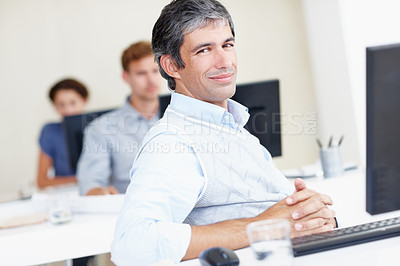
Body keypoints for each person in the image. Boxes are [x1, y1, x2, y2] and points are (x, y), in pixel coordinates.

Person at [111, 0, 337, 264]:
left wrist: (313, 215)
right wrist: (262, 226)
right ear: (172, 66)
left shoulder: (233, 127)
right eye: (204, 50)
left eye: (227, 45)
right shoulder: (175, 141)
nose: (224, 61)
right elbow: (132, 245)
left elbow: (279, 215)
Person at [77, 41, 162, 195]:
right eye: (141, 73)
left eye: (156, 71)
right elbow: (90, 184)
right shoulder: (101, 129)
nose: (151, 80)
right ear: (126, 77)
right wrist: (99, 193)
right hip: (131, 208)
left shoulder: (183, 117)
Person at [37, 78, 88, 189]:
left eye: (73, 103)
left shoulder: (99, 128)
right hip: (65, 193)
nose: (68, 110)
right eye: (61, 104)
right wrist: (78, 180)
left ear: (84, 100)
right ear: (54, 106)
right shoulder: (50, 131)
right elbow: (41, 181)